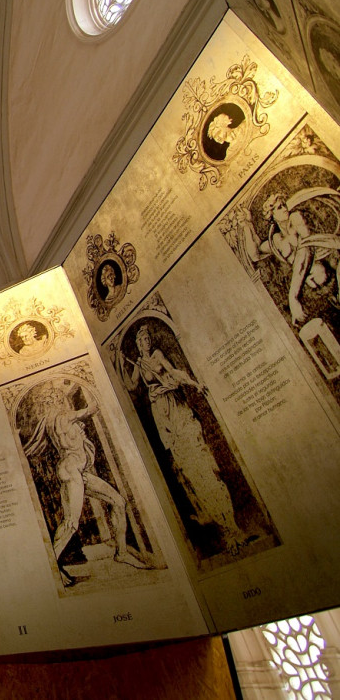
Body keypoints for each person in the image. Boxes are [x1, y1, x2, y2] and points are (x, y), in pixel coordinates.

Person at [116, 325, 246, 553]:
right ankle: (224, 529)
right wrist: (122, 363)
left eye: (148, 338)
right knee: (187, 467)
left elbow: (175, 373)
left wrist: (194, 384)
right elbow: (130, 385)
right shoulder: (137, 362)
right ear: (138, 344)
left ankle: (232, 526)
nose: (146, 342)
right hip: (161, 413)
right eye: (142, 340)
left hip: (175, 404)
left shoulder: (157, 356)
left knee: (203, 461)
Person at [22, 383, 149, 587]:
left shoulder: (50, 422)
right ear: (54, 401)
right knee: (72, 522)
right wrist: (89, 387)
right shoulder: (64, 417)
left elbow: (48, 443)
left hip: (77, 471)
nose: (62, 401)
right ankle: (51, 568)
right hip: (72, 470)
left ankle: (122, 553)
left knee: (118, 501)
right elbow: (92, 408)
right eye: (59, 398)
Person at [234, 190, 340, 325]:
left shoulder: (296, 219)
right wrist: (247, 226)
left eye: (284, 205)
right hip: (318, 293)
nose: (285, 209)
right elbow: (255, 255)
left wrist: (293, 296)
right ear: (271, 216)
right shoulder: (277, 240)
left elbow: (306, 249)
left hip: (333, 272)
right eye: (279, 207)